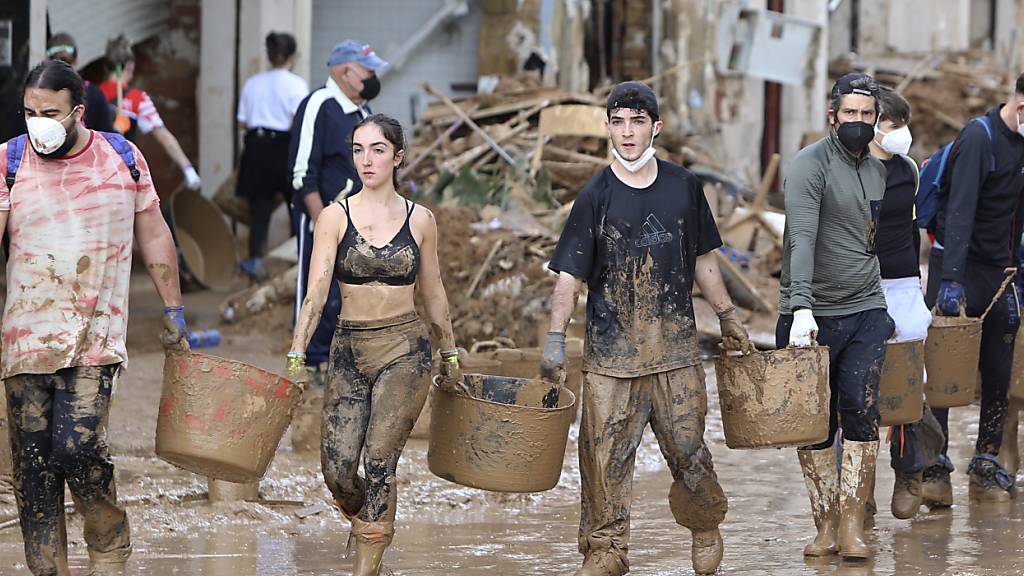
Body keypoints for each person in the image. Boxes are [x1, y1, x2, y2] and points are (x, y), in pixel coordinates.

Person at [541, 81, 751, 576]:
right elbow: (569, 274)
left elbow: (702, 259)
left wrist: (727, 316)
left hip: (675, 352)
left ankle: (704, 525)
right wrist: (555, 338)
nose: (627, 132)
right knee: (603, 461)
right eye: (618, 121)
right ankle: (606, 550)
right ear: (608, 128)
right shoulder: (595, 195)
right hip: (611, 360)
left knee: (689, 453)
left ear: (655, 127)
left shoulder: (683, 186)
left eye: (637, 121)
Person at [1, 60, 189, 576]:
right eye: (29, 112)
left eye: (51, 112)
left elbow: (152, 234)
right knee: (33, 469)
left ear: (78, 110)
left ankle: (108, 549)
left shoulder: (122, 156)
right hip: (25, 342)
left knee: (78, 447)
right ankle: (48, 568)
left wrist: (173, 308)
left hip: (94, 339)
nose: (38, 121)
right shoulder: (9, 161)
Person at [287, 114, 461, 576]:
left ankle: (368, 563)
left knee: (380, 457)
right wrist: (297, 352)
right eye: (359, 149)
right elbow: (317, 291)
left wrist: (450, 353)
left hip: (405, 347)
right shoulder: (333, 216)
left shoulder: (420, 219)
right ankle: (371, 522)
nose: (367, 159)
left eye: (378, 150)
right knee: (338, 471)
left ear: (397, 157)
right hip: (348, 350)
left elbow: (434, 290)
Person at [779, 72, 893, 561]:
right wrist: (800, 304)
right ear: (832, 116)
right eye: (850, 114)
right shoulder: (810, 165)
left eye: (867, 116)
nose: (858, 123)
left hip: (867, 305)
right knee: (816, 423)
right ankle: (824, 523)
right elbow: (801, 237)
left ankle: (853, 524)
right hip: (814, 311)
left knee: (862, 408)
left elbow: (877, 236)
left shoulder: (878, 169)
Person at [923, 73, 1024, 504]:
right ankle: (933, 467)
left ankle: (985, 460)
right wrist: (949, 281)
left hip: (1001, 273)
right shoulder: (979, 139)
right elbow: (961, 209)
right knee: (945, 373)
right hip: (958, 266)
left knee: (999, 371)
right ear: (1021, 107)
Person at [866, 85, 945, 520]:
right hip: (855, 285)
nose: (899, 134)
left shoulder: (908, 169)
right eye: (892, 126)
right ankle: (858, 490)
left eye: (902, 126)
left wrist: (917, 281)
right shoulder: (850, 169)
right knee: (854, 388)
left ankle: (909, 470)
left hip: (901, 284)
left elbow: (914, 228)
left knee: (911, 383)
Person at [288, 40, 386, 383]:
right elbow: (302, 172)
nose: (373, 77)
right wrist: (322, 222)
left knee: (351, 291)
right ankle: (309, 360)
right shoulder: (319, 105)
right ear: (346, 71)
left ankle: (340, 360)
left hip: (358, 221)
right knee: (317, 288)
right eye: (368, 71)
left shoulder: (363, 112)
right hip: (322, 218)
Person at [236, 32, 308, 280]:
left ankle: (255, 260)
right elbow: (300, 122)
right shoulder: (296, 84)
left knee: (260, 209)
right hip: (284, 147)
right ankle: (298, 260)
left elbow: (242, 122)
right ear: (292, 57)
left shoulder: (252, 83)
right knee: (295, 204)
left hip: (256, 147)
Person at [100, 35, 201, 191]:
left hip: (94, 172)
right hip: (123, 175)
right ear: (130, 66)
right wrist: (187, 168)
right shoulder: (138, 99)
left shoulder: (90, 94)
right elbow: (163, 136)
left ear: (106, 67)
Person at [46, 33, 114, 133]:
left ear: (47, 60)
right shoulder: (94, 94)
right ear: (77, 59)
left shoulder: (36, 95)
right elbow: (106, 138)